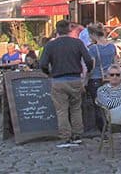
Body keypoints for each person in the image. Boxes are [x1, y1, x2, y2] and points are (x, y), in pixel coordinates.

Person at [39, 19, 94, 147]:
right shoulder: (77, 43)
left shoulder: (50, 45)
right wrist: (87, 72)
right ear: (69, 29)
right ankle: (77, 134)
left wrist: (48, 73)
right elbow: (88, 60)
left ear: (57, 30)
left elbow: (42, 64)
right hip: (75, 79)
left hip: (58, 80)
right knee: (76, 108)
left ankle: (65, 136)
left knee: (61, 110)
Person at [85, 22, 117, 135]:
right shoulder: (112, 46)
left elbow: (91, 67)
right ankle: (114, 125)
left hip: (96, 79)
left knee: (98, 105)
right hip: (110, 79)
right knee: (111, 103)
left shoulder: (93, 49)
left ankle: (103, 128)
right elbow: (116, 64)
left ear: (93, 34)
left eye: (89, 35)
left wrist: (85, 79)